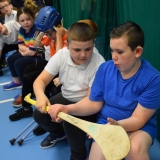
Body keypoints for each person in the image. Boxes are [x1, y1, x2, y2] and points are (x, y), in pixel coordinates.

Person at [48, 21, 160, 160]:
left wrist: (116, 126)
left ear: (137, 51)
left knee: (135, 151)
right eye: (112, 50)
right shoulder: (105, 69)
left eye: (119, 52)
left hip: (138, 128)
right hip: (105, 125)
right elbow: (94, 103)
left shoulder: (152, 79)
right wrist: (68, 108)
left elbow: (139, 119)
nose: (114, 56)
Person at [33, 22, 105, 160]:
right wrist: (41, 96)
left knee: (70, 123)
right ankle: (59, 133)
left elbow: (91, 100)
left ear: (93, 44)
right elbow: (39, 81)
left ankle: (78, 154)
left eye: (88, 49)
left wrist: (67, 110)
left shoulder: (99, 62)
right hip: (66, 96)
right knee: (39, 115)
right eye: (77, 50)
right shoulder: (61, 55)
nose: (83, 55)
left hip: (85, 103)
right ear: (67, 45)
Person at [9, 6, 67, 127]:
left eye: (47, 32)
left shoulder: (64, 37)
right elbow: (37, 46)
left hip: (60, 69)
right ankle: (26, 108)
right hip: (51, 64)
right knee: (26, 72)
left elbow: (59, 60)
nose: (46, 34)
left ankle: (44, 115)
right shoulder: (49, 34)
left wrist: (58, 37)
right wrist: (39, 40)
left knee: (31, 77)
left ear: (56, 27)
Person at [2, 0, 41, 90]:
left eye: (28, 19)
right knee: (11, 58)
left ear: (33, 19)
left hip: (37, 56)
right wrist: (25, 51)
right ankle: (17, 81)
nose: (25, 23)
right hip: (29, 52)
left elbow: (32, 52)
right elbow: (20, 46)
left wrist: (23, 53)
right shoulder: (21, 30)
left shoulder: (36, 30)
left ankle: (26, 88)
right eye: (22, 21)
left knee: (19, 63)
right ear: (18, 22)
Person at [0, 0, 18, 76]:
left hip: (20, 41)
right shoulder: (6, 17)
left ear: (11, 5)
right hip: (12, 41)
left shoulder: (17, 14)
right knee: (1, 45)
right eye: (2, 7)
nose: (5, 8)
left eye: (6, 5)